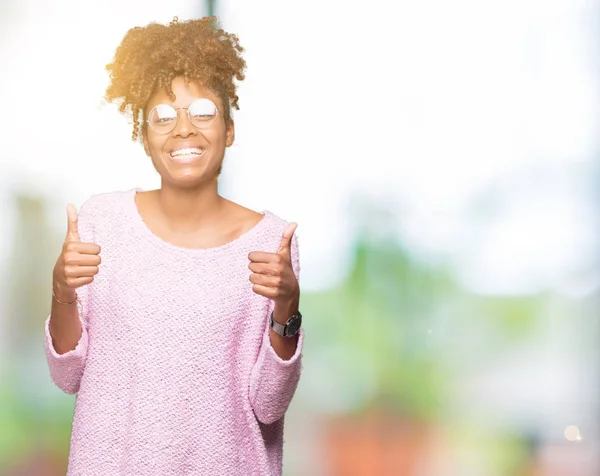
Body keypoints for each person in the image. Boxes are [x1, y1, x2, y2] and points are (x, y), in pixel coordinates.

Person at [44, 16, 304, 476]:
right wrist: (62, 288)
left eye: (202, 112)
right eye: (163, 117)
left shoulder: (272, 242)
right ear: (145, 138)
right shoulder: (101, 221)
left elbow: (269, 405)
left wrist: (287, 308)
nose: (183, 128)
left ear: (229, 129)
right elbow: (67, 376)